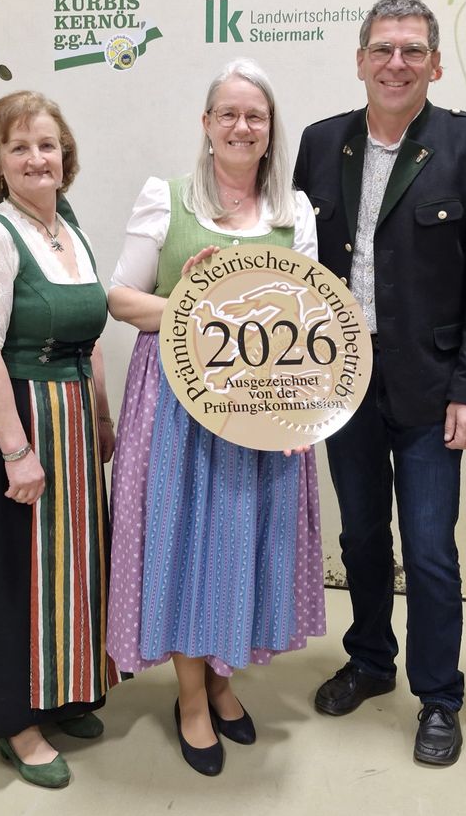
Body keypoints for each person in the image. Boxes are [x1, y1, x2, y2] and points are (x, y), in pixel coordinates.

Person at [293, 0, 466, 765]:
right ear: (360, 60)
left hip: (433, 386)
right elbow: (297, 262)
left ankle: (439, 696)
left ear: (436, 64)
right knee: (359, 535)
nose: (397, 63)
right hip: (342, 383)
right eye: (383, 49)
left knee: (427, 548)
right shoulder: (322, 143)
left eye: (413, 50)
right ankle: (370, 658)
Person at [107, 58, 326, 777]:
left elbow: (310, 320)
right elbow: (121, 298)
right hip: (176, 406)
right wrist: (197, 305)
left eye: (254, 115)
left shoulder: (294, 211)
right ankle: (192, 697)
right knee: (181, 545)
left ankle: (224, 678)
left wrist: (302, 416)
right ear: (206, 125)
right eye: (227, 113)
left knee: (239, 545)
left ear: (270, 129)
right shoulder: (166, 198)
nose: (241, 126)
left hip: (261, 411)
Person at [0, 91, 117, 789]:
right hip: (19, 419)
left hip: (74, 419)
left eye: (47, 145)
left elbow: (91, 337)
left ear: (65, 154)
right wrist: (16, 452)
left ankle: (64, 691)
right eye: (18, 147)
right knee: (14, 570)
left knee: (74, 561)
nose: (36, 158)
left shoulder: (69, 228)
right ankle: (14, 720)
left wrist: (102, 417)